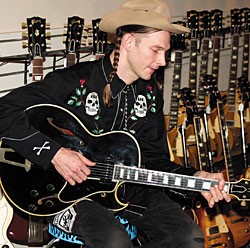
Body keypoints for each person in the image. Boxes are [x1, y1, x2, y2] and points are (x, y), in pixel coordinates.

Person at [0, 0, 231, 247]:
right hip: (62, 191)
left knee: (187, 235)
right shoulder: (74, 81)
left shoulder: (149, 93)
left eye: (165, 52)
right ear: (129, 42)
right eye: (155, 50)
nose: (163, 61)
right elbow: (4, 110)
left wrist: (196, 178)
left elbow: (153, 160)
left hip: (124, 186)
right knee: (113, 241)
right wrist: (55, 154)